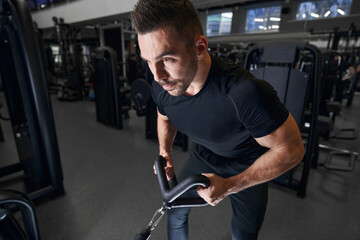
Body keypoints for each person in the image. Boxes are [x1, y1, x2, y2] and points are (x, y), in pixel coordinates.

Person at [131, 1, 304, 239]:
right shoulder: (162, 87)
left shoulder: (244, 93)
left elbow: (292, 149)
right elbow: (164, 117)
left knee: (244, 232)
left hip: (247, 162)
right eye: (148, 61)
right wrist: (165, 151)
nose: (157, 75)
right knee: (175, 210)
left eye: (167, 59)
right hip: (204, 155)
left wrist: (232, 184)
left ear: (200, 47)